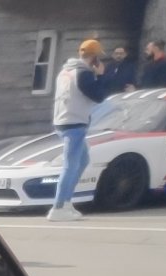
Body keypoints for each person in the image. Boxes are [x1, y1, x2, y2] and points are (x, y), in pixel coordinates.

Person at [48, 39, 107, 222]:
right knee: (71, 164)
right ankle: (58, 206)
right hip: (75, 122)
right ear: (94, 58)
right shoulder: (84, 74)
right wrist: (101, 75)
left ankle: (66, 203)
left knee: (83, 160)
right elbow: (98, 96)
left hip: (63, 120)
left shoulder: (65, 71)